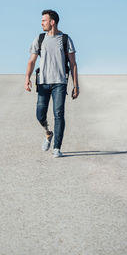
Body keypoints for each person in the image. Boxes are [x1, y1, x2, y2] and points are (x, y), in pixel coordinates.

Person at [25, 9, 79, 158]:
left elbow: (73, 64)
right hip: (43, 83)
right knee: (40, 115)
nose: (42, 23)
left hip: (60, 83)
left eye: (44, 20)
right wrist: (27, 79)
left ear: (52, 22)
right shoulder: (40, 38)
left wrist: (76, 85)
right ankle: (48, 133)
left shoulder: (65, 39)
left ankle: (57, 148)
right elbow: (32, 60)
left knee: (59, 114)